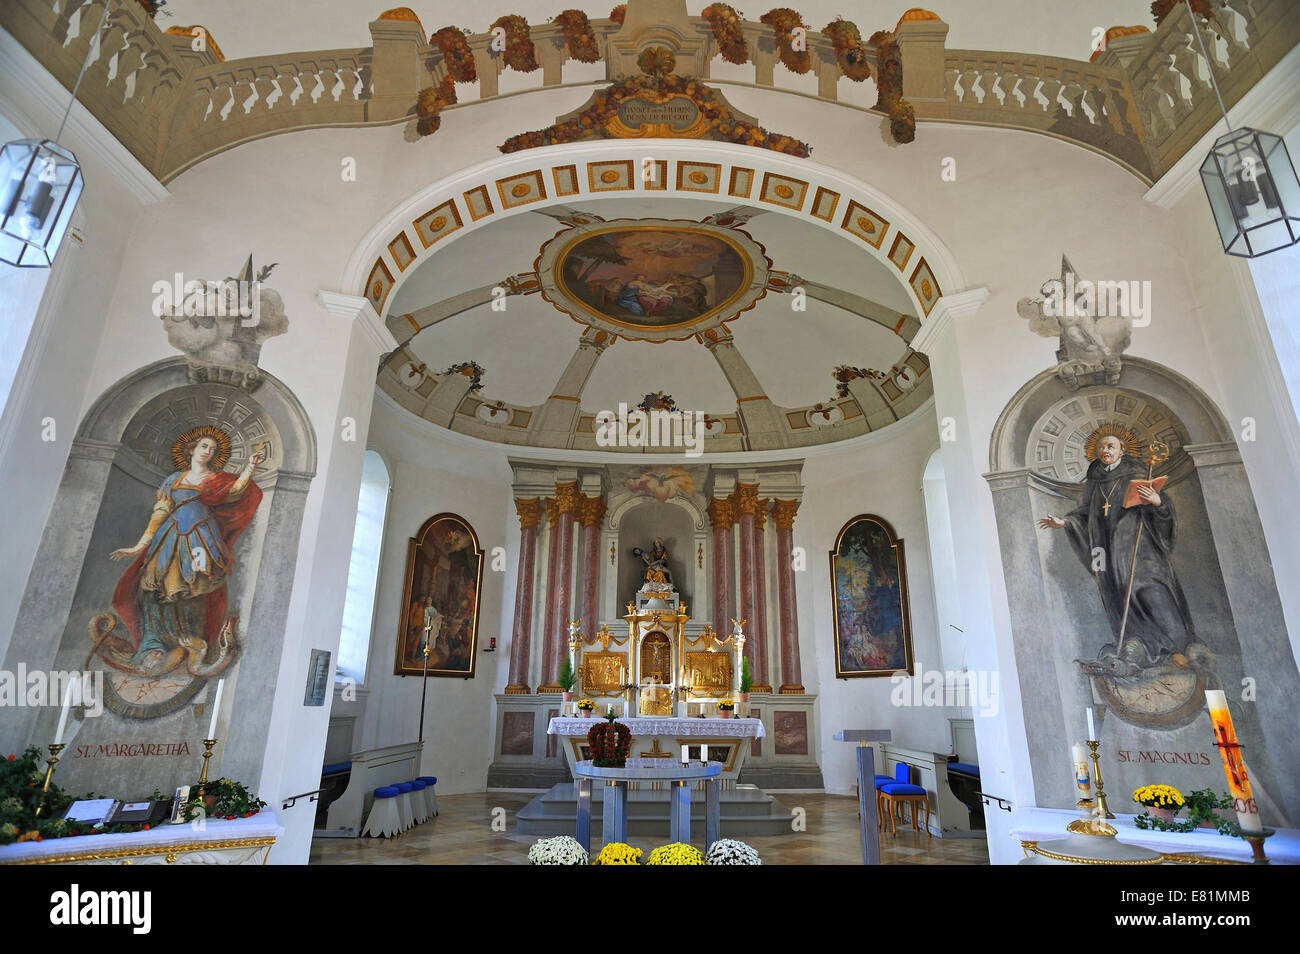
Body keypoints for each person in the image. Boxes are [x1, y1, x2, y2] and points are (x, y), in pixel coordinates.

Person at [108, 427, 264, 673]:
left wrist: (250, 467)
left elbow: (234, 492)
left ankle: (191, 639)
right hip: (168, 538)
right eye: (204, 446)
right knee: (153, 587)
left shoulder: (215, 479)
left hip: (201, 539)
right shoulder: (173, 480)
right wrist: (139, 545)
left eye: (212, 449)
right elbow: (160, 512)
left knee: (194, 588)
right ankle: (153, 643)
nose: (208, 451)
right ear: (192, 448)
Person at [1038, 431, 1195, 667]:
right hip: (1109, 554)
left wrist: (1157, 502)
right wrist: (1066, 523)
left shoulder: (1138, 473)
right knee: (1121, 599)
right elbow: (1085, 513)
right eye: (1101, 448)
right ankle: (1144, 650)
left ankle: (1178, 647)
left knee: (1154, 593)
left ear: (1122, 450)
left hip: (1141, 551)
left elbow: (1163, 510)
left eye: (1110, 446)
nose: (1105, 451)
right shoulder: (1094, 481)